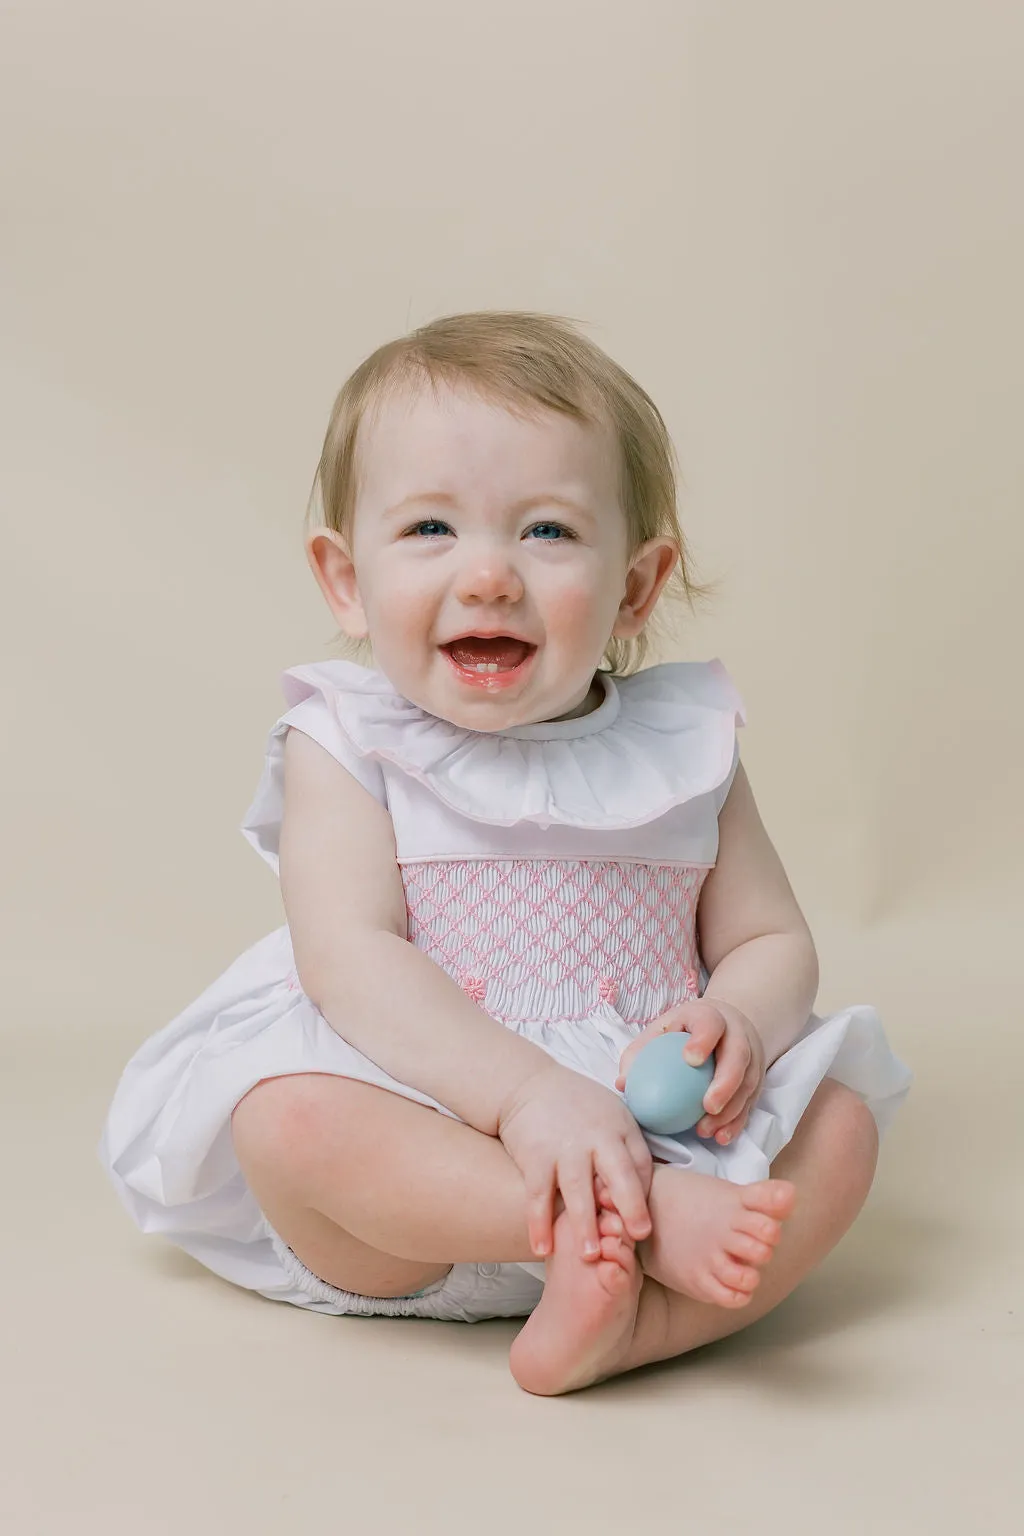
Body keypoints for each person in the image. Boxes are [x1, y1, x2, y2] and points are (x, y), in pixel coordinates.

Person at [100, 310, 911, 1396]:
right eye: (431, 529)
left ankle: (637, 1323)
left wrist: (743, 1023)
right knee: (287, 1119)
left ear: (635, 585)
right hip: (433, 1188)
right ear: (346, 580)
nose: (488, 576)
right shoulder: (344, 744)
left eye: (545, 532)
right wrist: (528, 1099)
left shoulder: (684, 748)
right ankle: (643, 1227)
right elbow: (350, 962)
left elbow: (768, 934)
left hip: (668, 1136)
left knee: (845, 1125)